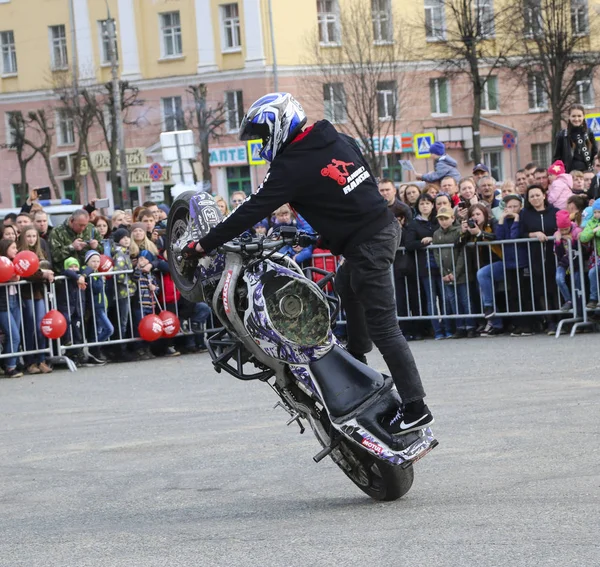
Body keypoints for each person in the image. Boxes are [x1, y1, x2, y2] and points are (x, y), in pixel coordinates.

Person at [187, 92, 433, 434]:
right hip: (379, 229)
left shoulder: (292, 165)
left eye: (260, 135)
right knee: (347, 283)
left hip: (368, 243)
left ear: (278, 125)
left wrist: (204, 243)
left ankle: (416, 407)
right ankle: (358, 356)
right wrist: (324, 237)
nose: (260, 143)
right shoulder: (334, 137)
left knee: (385, 326)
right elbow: (348, 192)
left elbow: (252, 210)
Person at [405, 194, 449, 340]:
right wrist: (423, 243)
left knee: (445, 298)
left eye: (428, 203)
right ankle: (437, 330)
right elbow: (409, 244)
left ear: (432, 205)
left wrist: (433, 239)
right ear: (418, 206)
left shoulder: (438, 220)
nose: (425, 206)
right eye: (422, 203)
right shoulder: (414, 224)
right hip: (426, 267)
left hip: (442, 265)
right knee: (431, 299)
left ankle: (448, 328)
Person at [519, 185, 560, 334]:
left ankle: (561, 319)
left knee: (556, 287)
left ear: (544, 195)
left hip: (554, 256)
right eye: (532, 196)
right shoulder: (525, 214)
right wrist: (533, 234)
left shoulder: (554, 212)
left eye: (537, 195)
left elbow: (564, 227)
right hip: (535, 257)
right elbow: (520, 234)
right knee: (541, 290)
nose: (535, 198)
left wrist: (559, 232)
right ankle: (550, 322)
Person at [433, 207, 474, 338]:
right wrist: (443, 273)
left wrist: (455, 273)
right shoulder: (436, 234)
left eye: (446, 218)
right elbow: (437, 254)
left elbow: (462, 254)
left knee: (465, 299)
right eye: (441, 219)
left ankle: (471, 326)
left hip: (460, 272)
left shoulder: (458, 231)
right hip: (446, 274)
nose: (443, 221)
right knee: (453, 300)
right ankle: (460, 326)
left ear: (453, 218)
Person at [17, 225, 54, 374]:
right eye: (28, 236)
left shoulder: (42, 253)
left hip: (39, 294)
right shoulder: (20, 254)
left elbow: (48, 270)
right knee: (29, 327)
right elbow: (27, 273)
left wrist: (48, 275)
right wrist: (42, 274)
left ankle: (42, 359)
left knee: (41, 327)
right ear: (23, 238)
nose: (31, 239)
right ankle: (30, 362)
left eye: (34, 236)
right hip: (26, 295)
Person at [82, 250, 113, 362]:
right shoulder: (90, 274)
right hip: (96, 307)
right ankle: (93, 348)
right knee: (109, 329)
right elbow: (96, 288)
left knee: (98, 330)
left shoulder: (97, 273)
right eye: (93, 261)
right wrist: (100, 278)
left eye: (98, 261)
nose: (96, 264)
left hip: (102, 305)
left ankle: (95, 351)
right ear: (87, 262)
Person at [0, 239, 23, 377]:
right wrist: (9, 278)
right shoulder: (2, 263)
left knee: (13, 335)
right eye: (13, 248)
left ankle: (7, 362)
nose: (16, 250)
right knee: (14, 336)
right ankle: (10, 367)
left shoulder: (16, 262)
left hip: (14, 300)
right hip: (3, 304)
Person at [552, 103, 598, 173]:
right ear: (569, 117)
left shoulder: (589, 133)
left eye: (579, 116)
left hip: (587, 174)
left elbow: (595, 154)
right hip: (569, 174)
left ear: (583, 117)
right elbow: (556, 159)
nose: (576, 119)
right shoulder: (562, 135)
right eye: (573, 116)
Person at [553, 210, 582, 312]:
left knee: (577, 284)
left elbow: (582, 249)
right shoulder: (557, 233)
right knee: (559, 279)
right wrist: (558, 242)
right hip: (564, 262)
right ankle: (568, 301)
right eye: (562, 230)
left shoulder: (577, 231)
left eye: (566, 229)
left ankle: (579, 309)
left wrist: (573, 241)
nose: (564, 232)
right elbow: (559, 254)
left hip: (576, 263)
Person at [579, 200, 600, 310]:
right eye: (595, 212)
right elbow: (583, 237)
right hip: (598, 256)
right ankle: (593, 298)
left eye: (599, 212)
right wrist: (594, 231)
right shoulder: (592, 222)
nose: (596, 215)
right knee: (592, 273)